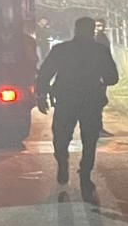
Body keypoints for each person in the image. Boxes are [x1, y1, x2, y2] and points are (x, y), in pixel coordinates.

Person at [35, 15, 119, 201]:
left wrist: (41, 95)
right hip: (91, 100)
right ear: (92, 31)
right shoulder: (100, 51)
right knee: (90, 139)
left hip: (66, 100)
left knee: (61, 135)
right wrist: (99, 82)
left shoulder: (61, 50)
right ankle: (85, 173)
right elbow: (113, 78)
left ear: (75, 30)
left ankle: (62, 164)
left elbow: (45, 73)